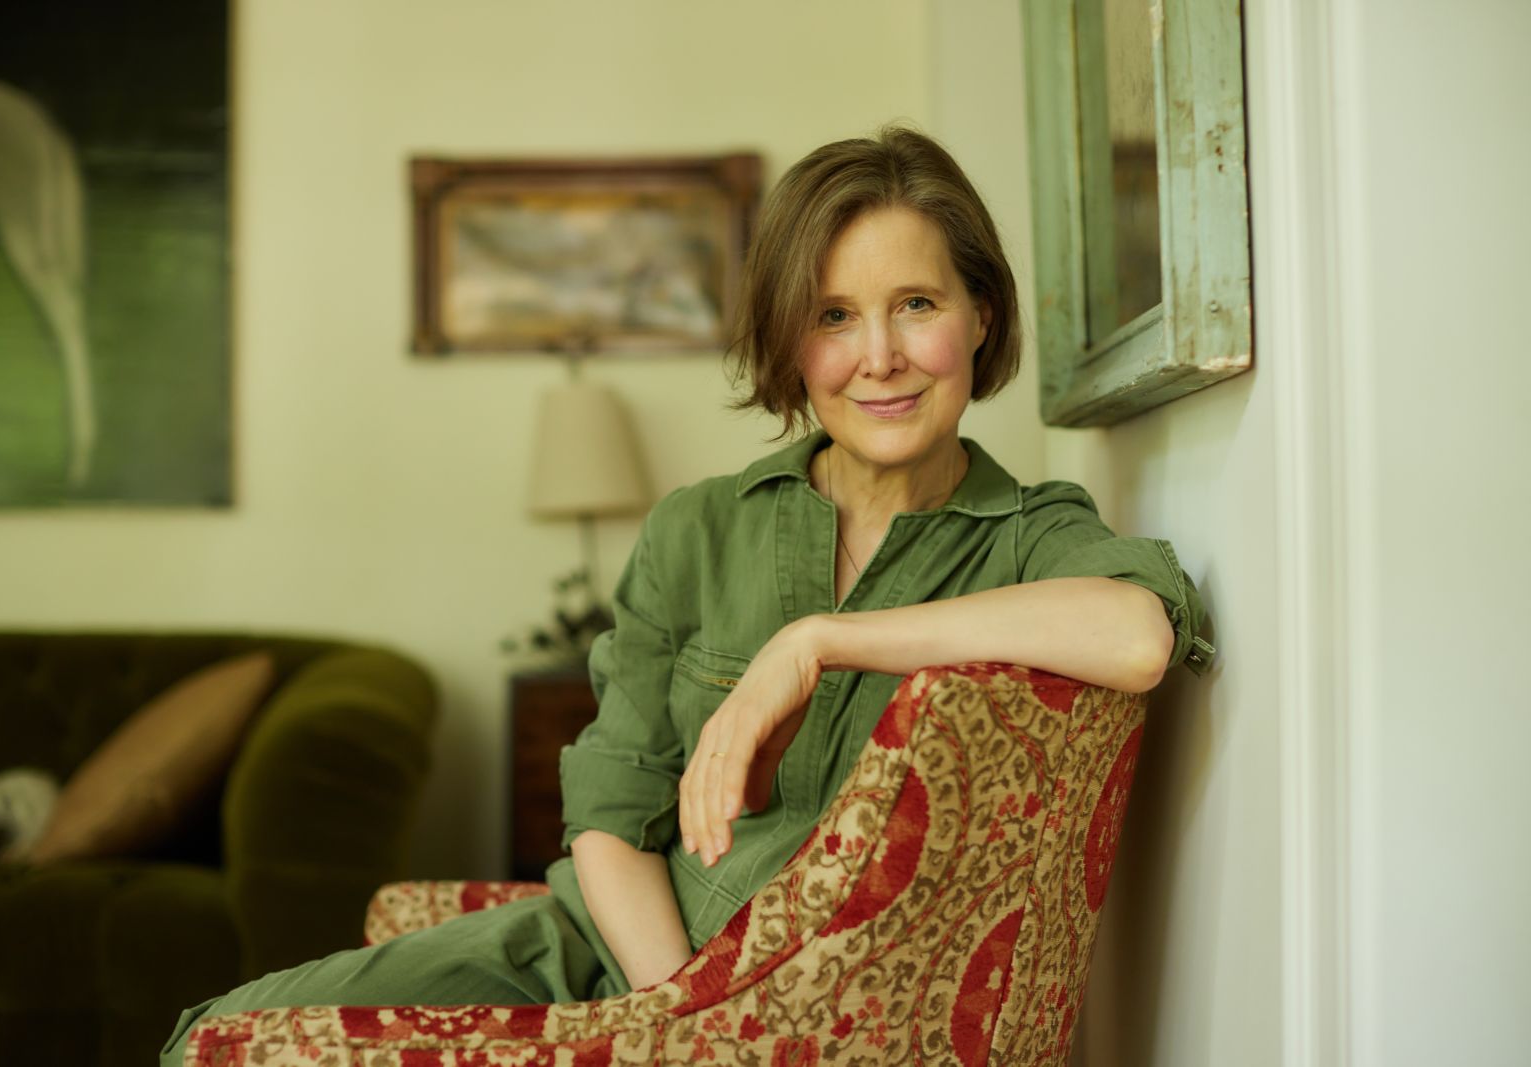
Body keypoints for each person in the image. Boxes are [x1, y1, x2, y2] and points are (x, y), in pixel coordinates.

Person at [160, 125, 1212, 1064]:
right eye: (834, 315)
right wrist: (675, 1022)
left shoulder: (1029, 535)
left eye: (917, 305)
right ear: (790, 340)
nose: (879, 357)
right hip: (607, 955)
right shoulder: (696, 528)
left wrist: (818, 640)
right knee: (212, 1038)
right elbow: (609, 816)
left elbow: (1136, 636)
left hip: (806, 1024)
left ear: (980, 315)